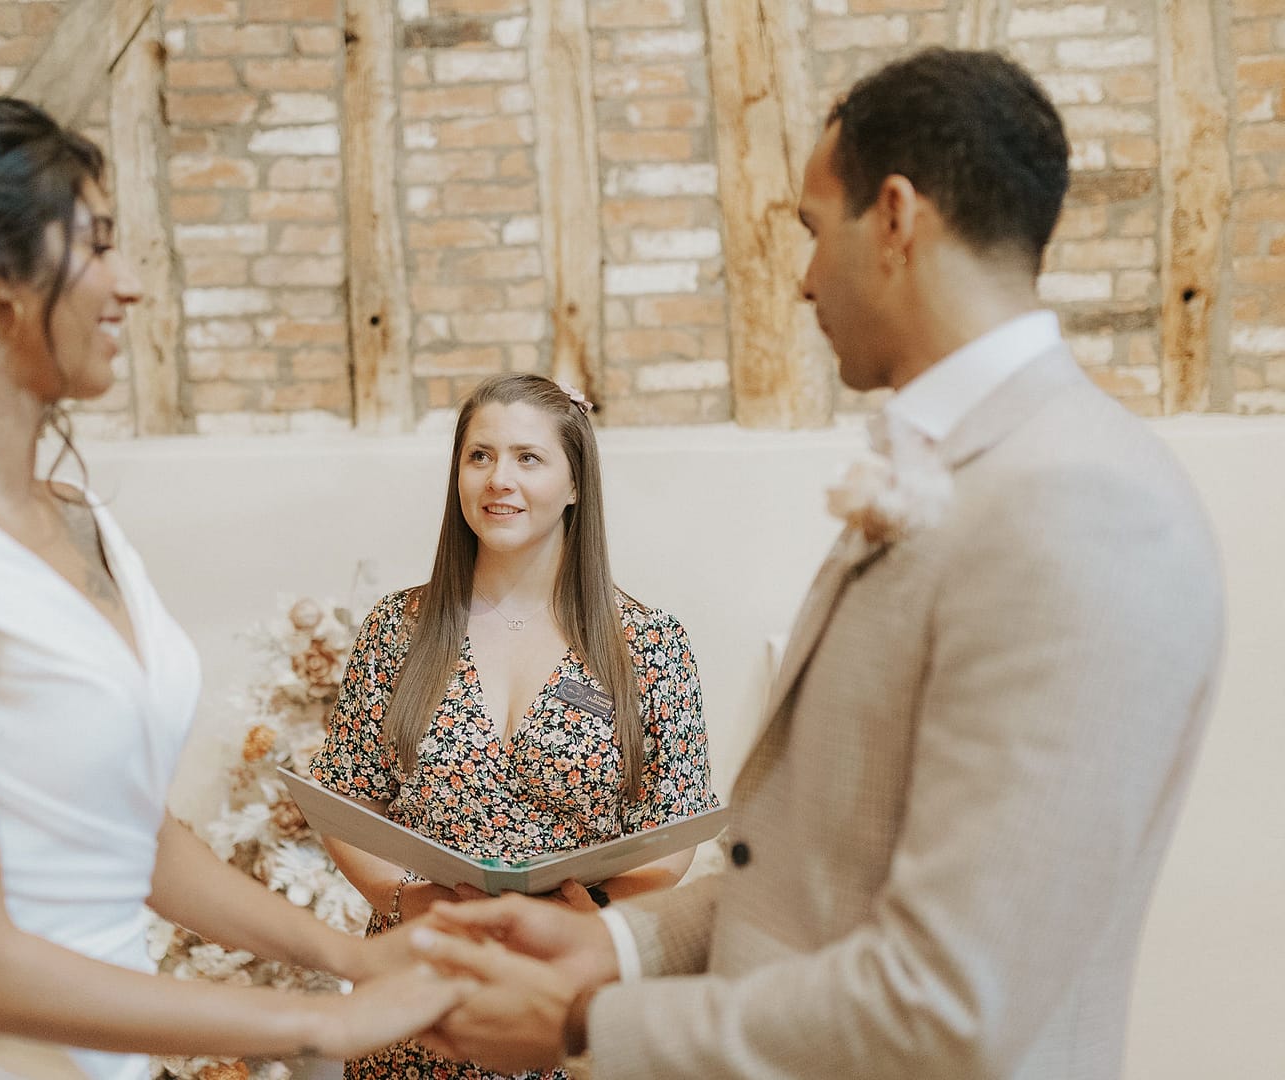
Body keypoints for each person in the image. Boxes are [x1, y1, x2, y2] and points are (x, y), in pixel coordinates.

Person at [410, 47, 1226, 1080]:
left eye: (809, 228)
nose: (798, 281)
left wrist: (584, 1029)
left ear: (892, 217)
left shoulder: (1078, 509)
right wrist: (613, 947)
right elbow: (818, 870)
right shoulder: (956, 471)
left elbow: (947, 1002)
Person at [0, 96, 465, 1080]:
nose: (129, 284)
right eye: (95, 244)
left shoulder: (81, 516)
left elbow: (131, 840)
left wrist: (351, 957)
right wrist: (321, 1027)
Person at [307, 372, 720, 1080]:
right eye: (479, 456)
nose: (499, 479)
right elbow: (344, 800)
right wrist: (408, 902)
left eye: (528, 458)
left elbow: (672, 833)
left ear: (574, 484)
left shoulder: (648, 645)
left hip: (567, 996)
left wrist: (583, 922)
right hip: (421, 985)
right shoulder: (396, 629)